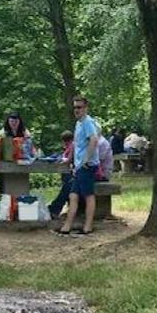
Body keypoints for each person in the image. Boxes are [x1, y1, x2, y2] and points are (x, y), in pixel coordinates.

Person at [56, 95, 101, 236]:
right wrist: (69, 160)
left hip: (87, 166)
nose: (77, 110)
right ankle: (67, 226)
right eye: (75, 107)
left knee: (88, 195)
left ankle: (88, 226)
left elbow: (94, 140)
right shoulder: (79, 123)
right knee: (73, 195)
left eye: (79, 107)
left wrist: (86, 160)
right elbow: (75, 144)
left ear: (85, 108)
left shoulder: (88, 122)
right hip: (79, 166)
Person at [47, 130, 75, 219]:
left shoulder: (72, 147)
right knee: (67, 187)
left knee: (67, 187)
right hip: (70, 173)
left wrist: (61, 160)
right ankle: (54, 209)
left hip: (73, 173)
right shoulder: (70, 147)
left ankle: (54, 210)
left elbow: (68, 161)